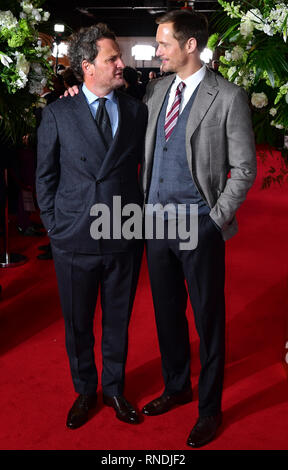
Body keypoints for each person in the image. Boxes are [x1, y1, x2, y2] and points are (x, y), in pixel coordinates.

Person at [140, 10, 256, 448]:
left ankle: (210, 408)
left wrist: (213, 220)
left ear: (190, 45)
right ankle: (176, 386)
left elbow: (244, 169)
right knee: (167, 315)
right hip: (154, 224)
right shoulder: (154, 91)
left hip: (198, 227)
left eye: (163, 43)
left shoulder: (227, 96)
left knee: (208, 320)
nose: (157, 51)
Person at [36, 23, 147, 429]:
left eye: (119, 56)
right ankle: (85, 390)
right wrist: (54, 226)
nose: (122, 64)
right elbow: (44, 176)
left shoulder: (137, 110)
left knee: (118, 319)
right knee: (78, 322)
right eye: (112, 59)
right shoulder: (58, 112)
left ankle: (114, 388)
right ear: (87, 68)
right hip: (74, 237)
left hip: (123, 233)